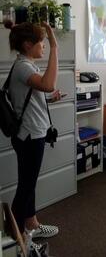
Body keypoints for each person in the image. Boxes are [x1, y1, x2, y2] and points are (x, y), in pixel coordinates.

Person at [4, 20, 62, 249]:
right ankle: (18, 241)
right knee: (26, 188)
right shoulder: (24, 67)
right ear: (28, 45)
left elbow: (35, 94)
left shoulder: (26, 64)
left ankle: (32, 225)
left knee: (29, 184)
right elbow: (48, 84)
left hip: (29, 134)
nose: (45, 46)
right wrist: (56, 47)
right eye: (42, 42)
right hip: (29, 136)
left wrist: (49, 97)